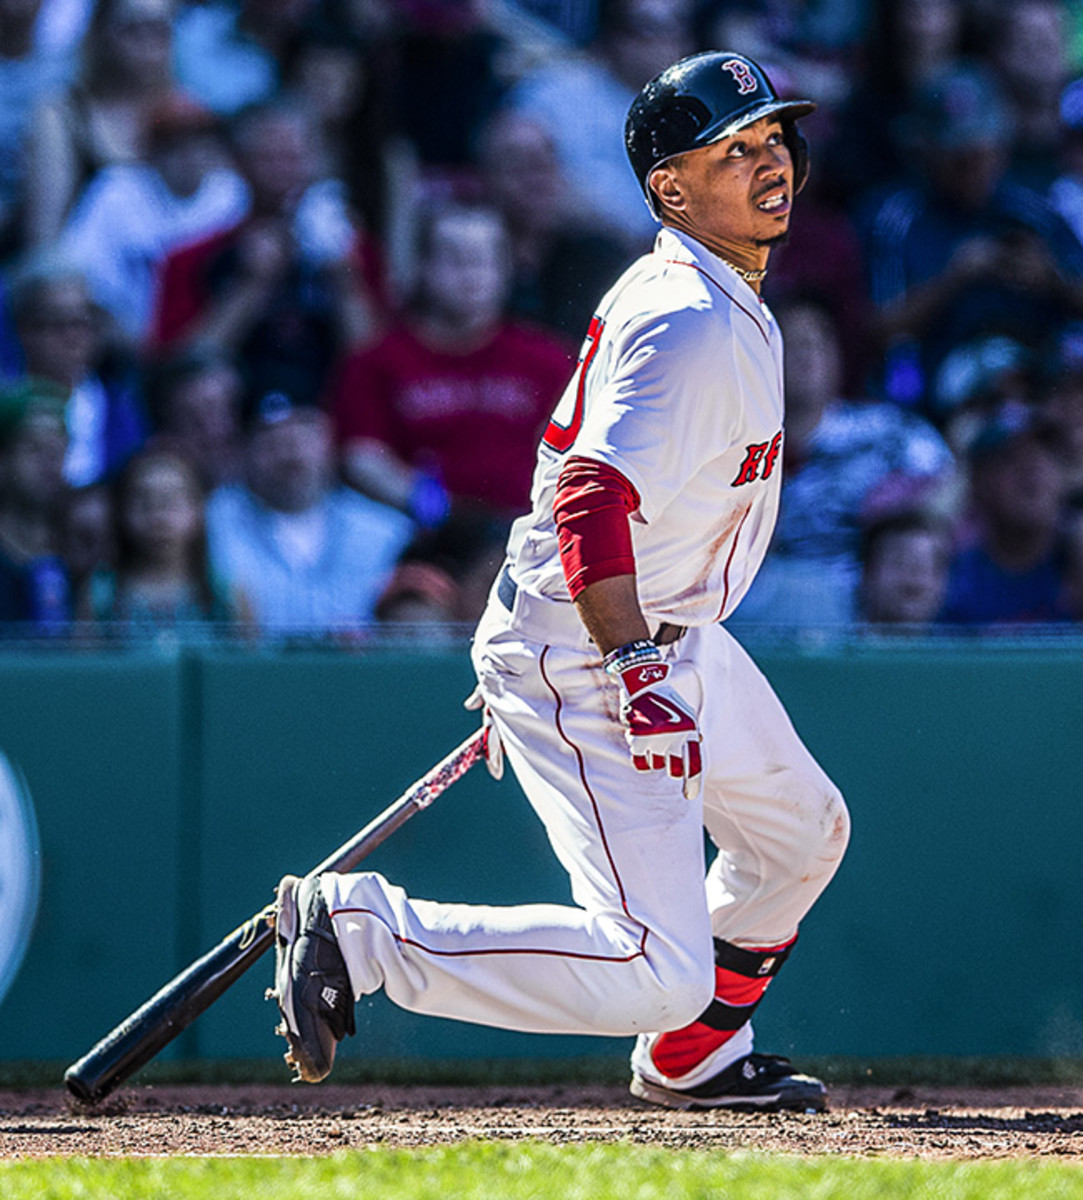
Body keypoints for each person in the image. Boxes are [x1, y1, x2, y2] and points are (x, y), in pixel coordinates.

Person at [269, 51, 849, 1113]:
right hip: (607, 644)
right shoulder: (689, 317)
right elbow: (588, 498)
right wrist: (617, 663)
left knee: (801, 830)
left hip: (643, 628)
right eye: (735, 148)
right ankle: (366, 934)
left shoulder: (711, 286)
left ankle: (695, 1058)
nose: (769, 162)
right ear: (670, 189)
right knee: (655, 969)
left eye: (774, 138)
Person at [330, 201, 574, 527]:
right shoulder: (377, 361)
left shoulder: (549, 359)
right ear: (422, 266)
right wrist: (423, 502)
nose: (471, 273)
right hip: (417, 532)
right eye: (455, 259)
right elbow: (362, 456)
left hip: (530, 532)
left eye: (484, 259)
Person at [205, 389, 413, 637]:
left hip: (361, 672)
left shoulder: (386, 530)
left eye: (303, 437)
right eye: (272, 442)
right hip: (250, 672)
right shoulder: (213, 521)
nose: (291, 454)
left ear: (329, 441)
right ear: (245, 451)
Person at [87, 444, 236, 636]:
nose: (158, 517)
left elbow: (247, 664)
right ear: (122, 511)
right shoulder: (100, 594)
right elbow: (85, 664)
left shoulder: (227, 594)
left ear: (198, 508)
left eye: (172, 501)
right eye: (143, 501)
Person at [858, 509, 953, 628]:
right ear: (867, 573)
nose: (914, 573)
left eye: (925, 564)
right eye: (899, 560)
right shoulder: (833, 643)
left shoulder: (967, 645)